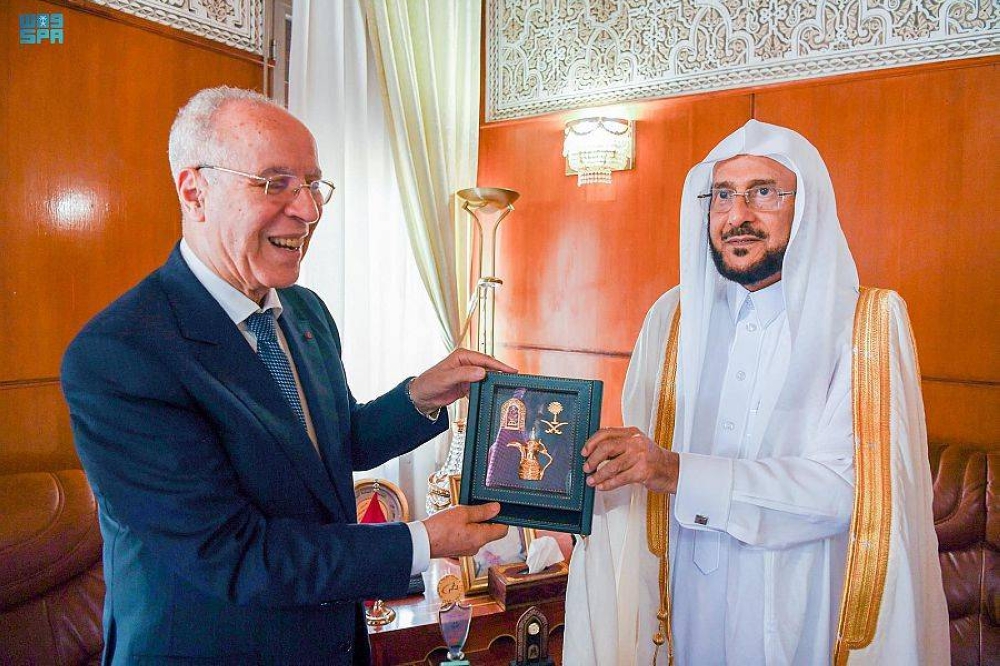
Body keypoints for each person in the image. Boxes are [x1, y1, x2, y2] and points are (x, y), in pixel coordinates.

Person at [61, 86, 514, 665]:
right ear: (195, 192)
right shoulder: (120, 354)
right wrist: (423, 541)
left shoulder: (304, 311)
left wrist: (422, 396)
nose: (309, 211)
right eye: (276, 183)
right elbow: (233, 554)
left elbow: (333, 445)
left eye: (313, 184)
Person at [564, 120, 948, 665]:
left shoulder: (864, 324)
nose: (737, 215)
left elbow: (843, 490)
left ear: (805, 206)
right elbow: (638, 475)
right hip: (684, 611)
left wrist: (674, 471)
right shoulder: (672, 319)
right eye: (723, 195)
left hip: (799, 609)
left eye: (762, 192)